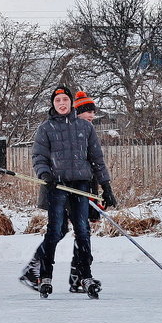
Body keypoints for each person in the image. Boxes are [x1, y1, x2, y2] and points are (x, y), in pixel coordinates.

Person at [25, 87, 116, 298]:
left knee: (83, 230)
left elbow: (96, 158)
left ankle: (85, 276)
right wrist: (45, 174)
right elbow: (39, 157)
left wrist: (106, 186)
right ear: (53, 104)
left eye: (65, 99)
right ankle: (45, 276)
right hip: (56, 186)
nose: (62, 103)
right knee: (55, 230)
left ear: (70, 102)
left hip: (81, 185)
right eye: (58, 100)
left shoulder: (85, 127)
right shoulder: (45, 128)